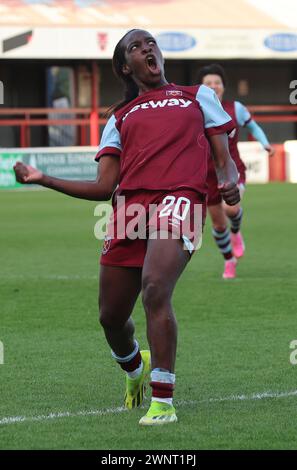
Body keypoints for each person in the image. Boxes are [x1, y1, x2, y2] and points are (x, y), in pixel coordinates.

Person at [14, 30, 240, 426]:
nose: (147, 48)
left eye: (150, 42)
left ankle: (163, 401)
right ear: (125, 66)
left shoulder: (197, 96)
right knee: (111, 318)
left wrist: (229, 181)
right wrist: (42, 178)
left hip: (180, 199)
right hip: (128, 210)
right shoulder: (119, 117)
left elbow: (223, 156)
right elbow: (104, 187)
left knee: (155, 287)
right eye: (136, 47)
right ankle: (135, 369)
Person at [197, 64, 275, 279]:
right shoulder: (194, 110)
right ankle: (229, 261)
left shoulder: (235, 108)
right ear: (202, 88)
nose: (214, 86)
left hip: (232, 169)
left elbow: (254, 127)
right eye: (208, 83)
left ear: (223, 86)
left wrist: (265, 144)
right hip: (207, 176)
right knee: (218, 224)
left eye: (217, 83)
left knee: (230, 210)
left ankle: (236, 231)